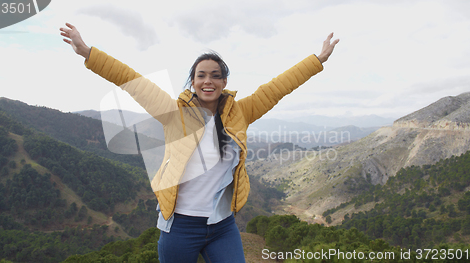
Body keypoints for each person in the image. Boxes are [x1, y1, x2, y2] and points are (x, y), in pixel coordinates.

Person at [60, 22, 338, 263]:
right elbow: (131, 80)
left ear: (224, 81)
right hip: (179, 227)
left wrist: (318, 60)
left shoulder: (241, 112)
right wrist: (88, 52)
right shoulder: (173, 114)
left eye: (215, 75)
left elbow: (278, 87)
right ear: (192, 82)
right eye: (201, 75)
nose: (208, 81)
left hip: (222, 226)